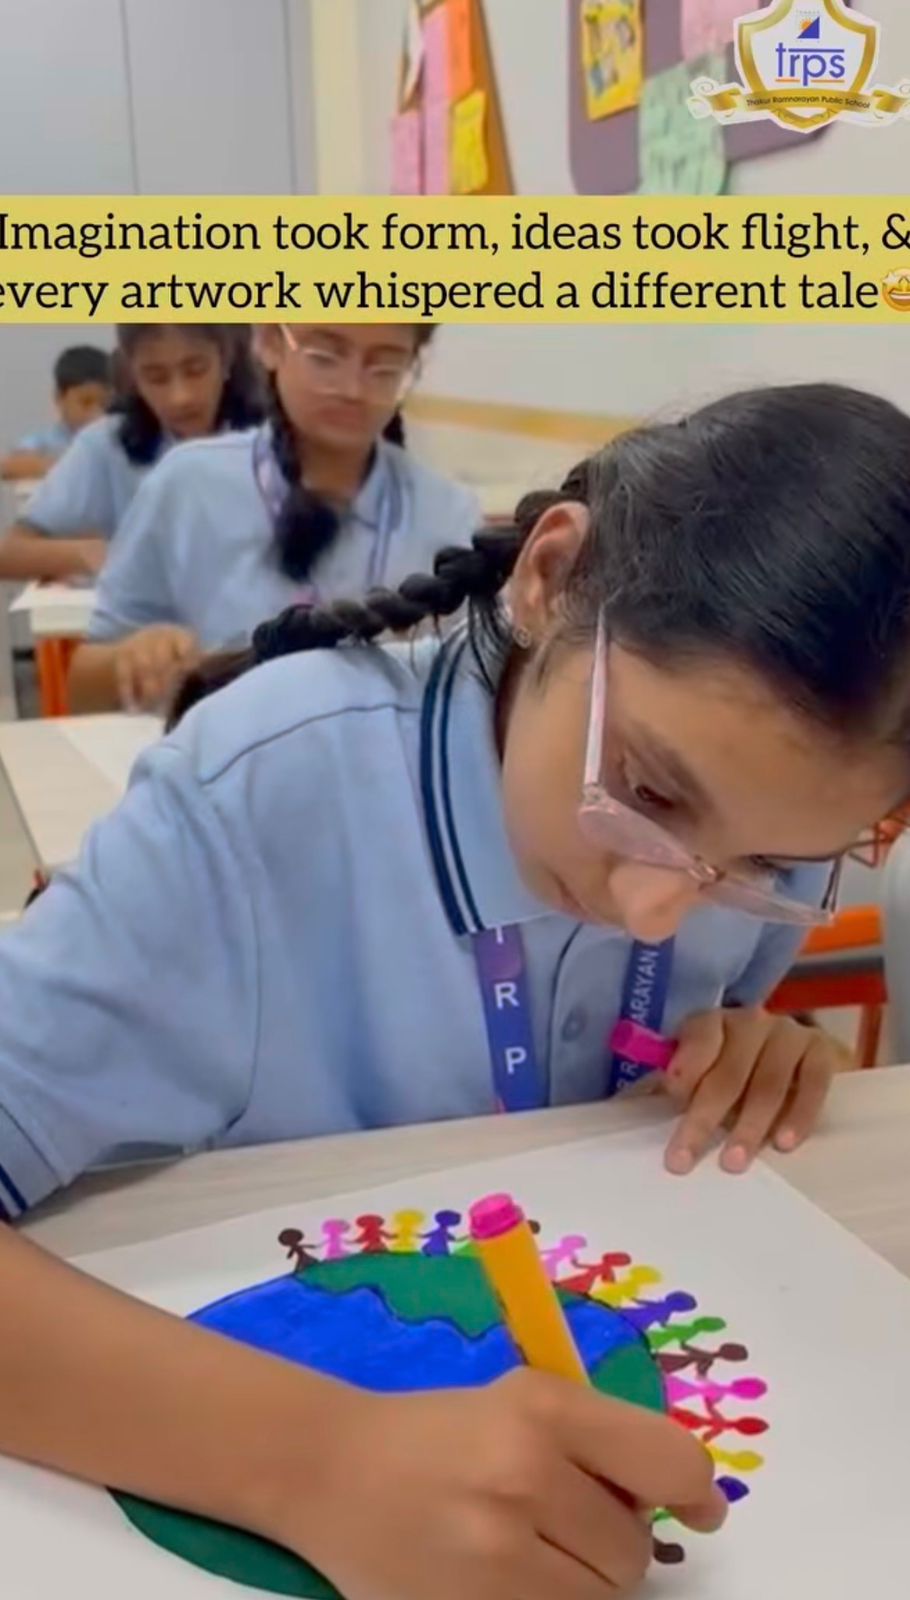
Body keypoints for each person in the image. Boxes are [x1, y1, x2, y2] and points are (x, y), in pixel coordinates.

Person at [2, 381, 908, 1597]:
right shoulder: (260, 796)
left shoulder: (707, 856)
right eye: (646, 792)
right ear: (550, 578)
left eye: (764, 864)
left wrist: (748, 1043)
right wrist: (316, 1463)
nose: (662, 908)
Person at [67, 323, 481, 714]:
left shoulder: (447, 513)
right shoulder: (187, 486)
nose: (353, 389)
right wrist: (133, 657)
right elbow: (82, 688)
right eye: (324, 357)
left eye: (385, 367)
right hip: (224, 758)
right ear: (269, 341)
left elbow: (476, 696)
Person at [0, 324, 262, 585]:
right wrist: (92, 554)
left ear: (225, 360)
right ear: (133, 376)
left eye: (196, 371)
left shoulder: (269, 436)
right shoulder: (107, 444)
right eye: (156, 378)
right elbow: (10, 553)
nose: (180, 397)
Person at [0, 345, 112, 482]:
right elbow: (9, 466)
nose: (97, 413)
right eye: (85, 403)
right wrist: (76, 466)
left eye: (105, 404)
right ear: (59, 398)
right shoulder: (46, 441)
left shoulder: (115, 438)